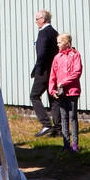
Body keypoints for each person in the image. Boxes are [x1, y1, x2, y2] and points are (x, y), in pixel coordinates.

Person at [48, 33, 83, 152]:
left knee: (72, 117)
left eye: (59, 42)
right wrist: (52, 89)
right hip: (61, 92)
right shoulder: (57, 57)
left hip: (72, 91)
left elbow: (77, 72)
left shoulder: (75, 55)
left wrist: (64, 82)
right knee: (64, 117)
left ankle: (75, 144)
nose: (57, 45)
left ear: (67, 43)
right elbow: (53, 74)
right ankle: (66, 144)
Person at [29, 9, 60, 137]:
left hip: (44, 70)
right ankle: (58, 129)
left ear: (43, 19)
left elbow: (41, 54)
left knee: (34, 96)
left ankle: (46, 124)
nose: (36, 22)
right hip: (54, 71)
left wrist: (37, 69)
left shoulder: (43, 33)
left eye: (37, 19)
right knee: (53, 99)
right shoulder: (54, 32)